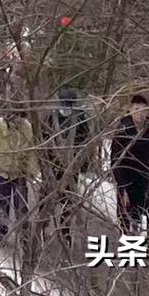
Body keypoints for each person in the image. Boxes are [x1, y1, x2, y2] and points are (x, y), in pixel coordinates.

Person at [110, 94, 149, 248]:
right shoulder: (123, 129)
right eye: (137, 109)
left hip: (147, 179)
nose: (141, 113)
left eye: (144, 110)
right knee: (126, 217)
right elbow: (115, 160)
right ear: (130, 110)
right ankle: (129, 247)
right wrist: (121, 185)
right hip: (127, 180)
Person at [45, 87, 93, 245]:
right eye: (64, 103)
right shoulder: (51, 117)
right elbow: (43, 139)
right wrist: (44, 162)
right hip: (53, 165)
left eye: (69, 104)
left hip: (71, 166)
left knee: (68, 200)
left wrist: (83, 165)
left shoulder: (80, 119)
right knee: (46, 196)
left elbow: (86, 143)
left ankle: (65, 230)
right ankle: (43, 224)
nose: (65, 106)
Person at [0, 104, 39, 243]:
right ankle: (0, 235)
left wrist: (32, 170)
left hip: (19, 174)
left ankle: (24, 236)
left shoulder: (26, 127)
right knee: (1, 206)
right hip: (0, 172)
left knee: (21, 205)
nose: (13, 119)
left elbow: (32, 151)